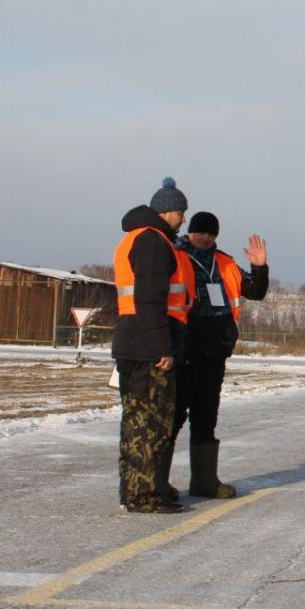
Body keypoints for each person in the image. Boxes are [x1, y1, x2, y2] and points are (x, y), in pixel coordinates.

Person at [167, 211, 269, 499]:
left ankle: (204, 481)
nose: (205, 238)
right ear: (190, 232)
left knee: (206, 416)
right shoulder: (175, 255)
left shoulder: (225, 262)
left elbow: (255, 291)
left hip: (215, 351)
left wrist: (259, 267)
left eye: (211, 234)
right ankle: (159, 481)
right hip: (184, 348)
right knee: (173, 416)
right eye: (200, 232)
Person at [111, 177, 194, 513]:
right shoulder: (152, 242)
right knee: (149, 425)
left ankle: (139, 490)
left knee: (138, 422)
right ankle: (143, 496)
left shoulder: (140, 238)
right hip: (148, 347)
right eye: (181, 212)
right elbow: (148, 299)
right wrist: (162, 347)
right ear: (166, 211)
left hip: (135, 341)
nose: (184, 219)